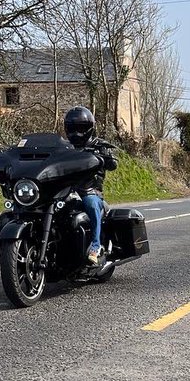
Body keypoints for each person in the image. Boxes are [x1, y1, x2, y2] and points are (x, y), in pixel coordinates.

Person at [64, 105, 118, 265]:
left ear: (90, 128)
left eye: (81, 128)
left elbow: (113, 164)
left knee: (91, 204)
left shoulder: (98, 144)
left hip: (90, 191)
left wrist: (106, 156)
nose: (77, 132)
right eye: (73, 128)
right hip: (65, 190)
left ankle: (95, 246)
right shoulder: (64, 146)